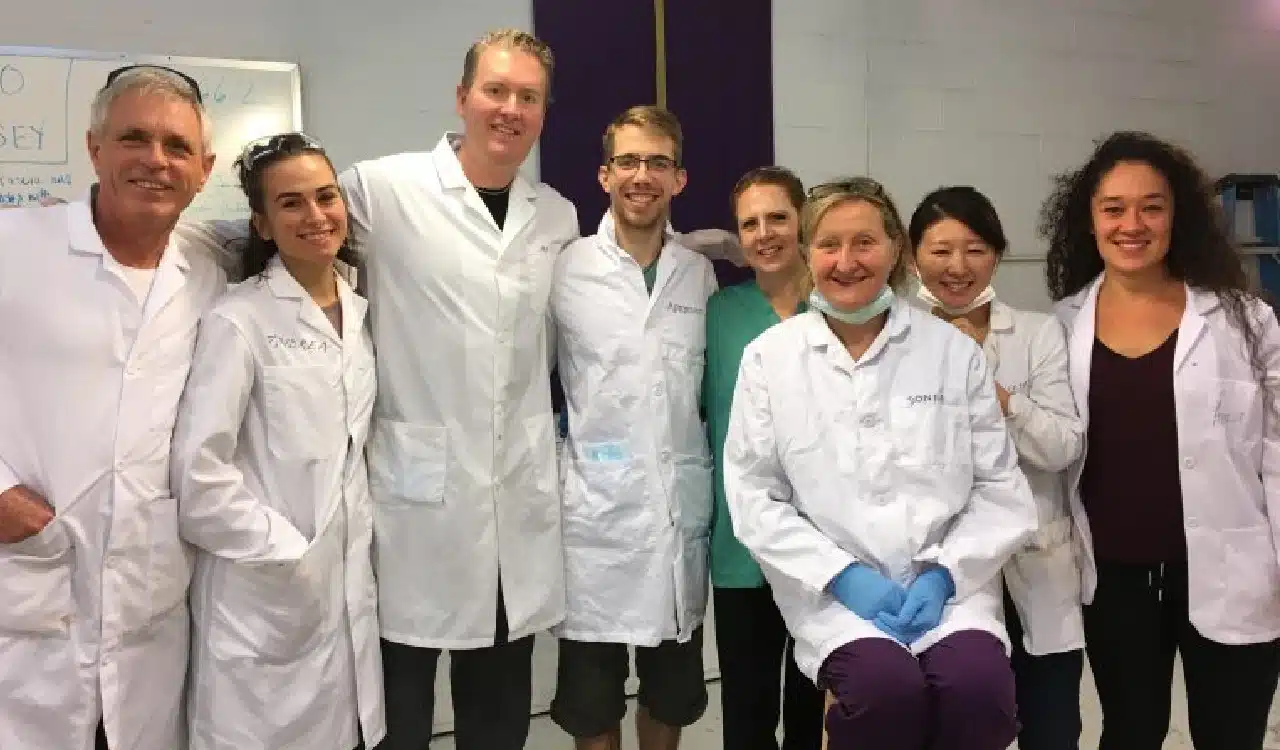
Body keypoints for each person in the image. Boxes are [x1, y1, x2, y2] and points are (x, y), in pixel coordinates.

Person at [722, 177, 1036, 750]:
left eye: (864, 242)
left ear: (896, 249)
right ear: (807, 253)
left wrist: (946, 574)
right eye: (828, 244)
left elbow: (999, 487)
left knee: (978, 691)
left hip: (951, 592)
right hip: (837, 596)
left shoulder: (950, 352)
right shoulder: (770, 360)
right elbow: (754, 496)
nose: (846, 261)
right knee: (883, 693)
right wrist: (843, 576)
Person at [0, 65, 225, 750]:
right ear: (94, 148)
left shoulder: (211, 272)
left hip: (149, 611)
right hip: (26, 597)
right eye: (134, 138)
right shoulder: (13, 246)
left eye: (177, 146)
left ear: (205, 169)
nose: (156, 161)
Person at [1045, 130, 1280, 750]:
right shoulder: (1061, 327)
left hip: (1232, 568)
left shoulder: (1244, 319)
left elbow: (1279, 453)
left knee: (1231, 736)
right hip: (1115, 579)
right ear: (1090, 221)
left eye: (1152, 206)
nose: (1133, 224)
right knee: (1128, 732)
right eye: (1113, 208)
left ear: (1179, 217)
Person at [169, 132, 384, 750]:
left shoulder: (357, 309)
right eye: (291, 204)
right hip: (264, 591)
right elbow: (199, 477)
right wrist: (287, 551)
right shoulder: (239, 321)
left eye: (326, 197)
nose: (316, 216)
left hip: (339, 588)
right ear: (261, 223)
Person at [548, 105, 718, 750]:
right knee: (591, 705)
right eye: (627, 161)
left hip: (677, 514)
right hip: (595, 519)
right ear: (603, 175)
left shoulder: (697, 276)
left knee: (670, 694)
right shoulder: (566, 270)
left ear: (679, 178)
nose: (641, 175)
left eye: (657, 162)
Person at [908, 185, 1085, 750]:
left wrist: (995, 391)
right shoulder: (898, 336)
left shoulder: (1038, 333)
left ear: (999, 254)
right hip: (945, 568)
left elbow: (1062, 448)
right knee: (957, 729)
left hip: (1037, 561)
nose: (957, 267)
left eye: (975, 248)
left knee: (1052, 725)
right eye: (939, 250)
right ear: (913, 257)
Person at [703, 166, 823, 750]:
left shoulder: (837, 308)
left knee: (813, 714)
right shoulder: (720, 313)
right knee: (746, 720)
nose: (765, 233)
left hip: (827, 552)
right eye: (749, 223)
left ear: (802, 220)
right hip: (742, 552)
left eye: (778, 217)